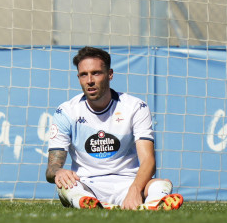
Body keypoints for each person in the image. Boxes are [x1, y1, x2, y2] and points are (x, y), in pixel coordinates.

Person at [45, 46, 184, 210]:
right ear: (78, 78)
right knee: (65, 186)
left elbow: (148, 160)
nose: (90, 80)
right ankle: (90, 203)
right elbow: (51, 169)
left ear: (110, 74)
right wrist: (58, 172)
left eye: (96, 73)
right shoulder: (66, 111)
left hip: (128, 183)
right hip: (87, 185)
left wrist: (135, 190)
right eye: (84, 74)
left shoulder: (135, 107)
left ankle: (152, 204)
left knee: (162, 184)